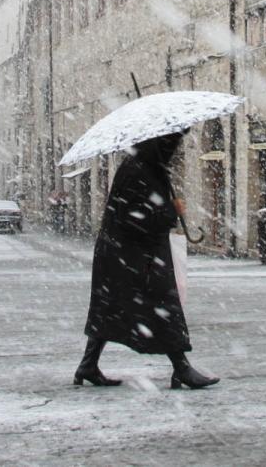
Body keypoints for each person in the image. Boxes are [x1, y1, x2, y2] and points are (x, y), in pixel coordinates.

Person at [74, 130, 219, 390]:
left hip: (126, 254)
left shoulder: (146, 166)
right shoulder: (139, 170)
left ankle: (88, 364)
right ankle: (182, 368)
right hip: (132, 256)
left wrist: (166, 208)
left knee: (110, 309)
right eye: (172, 143)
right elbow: (135, 218)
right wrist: (170, 211)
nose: (174, 149)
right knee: (162, 307)